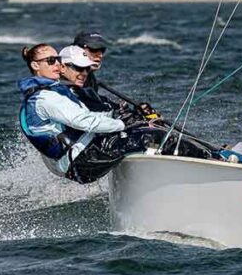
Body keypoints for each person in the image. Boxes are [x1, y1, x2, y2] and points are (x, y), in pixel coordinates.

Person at [19, 44, 218, 184]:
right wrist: (123, 125)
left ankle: (200, 161)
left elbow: (90, 118)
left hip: (82, 155)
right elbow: (83, 120)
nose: (57, 65)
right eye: (51, 61)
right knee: (154, 136)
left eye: (58, 60)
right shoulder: (45, 98)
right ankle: (215, 166)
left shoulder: (52, 91)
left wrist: (126, 119)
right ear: (36, 65)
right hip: (82, 162)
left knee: (147, 130)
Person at [71, 30, 116, 111]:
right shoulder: (67, 75)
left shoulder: (90, 78)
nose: (100, 55)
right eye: (93, 49)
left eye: (102, 50)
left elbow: (94, 100)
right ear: (77, 50)